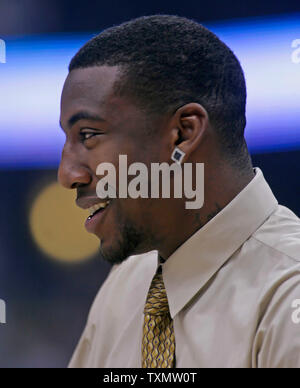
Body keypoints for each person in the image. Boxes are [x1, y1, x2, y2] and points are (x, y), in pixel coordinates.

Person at [58, 15, 300, 368]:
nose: (67, 174)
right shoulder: (126, 283)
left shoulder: (287, 295)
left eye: (89, 135)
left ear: (183, 134)